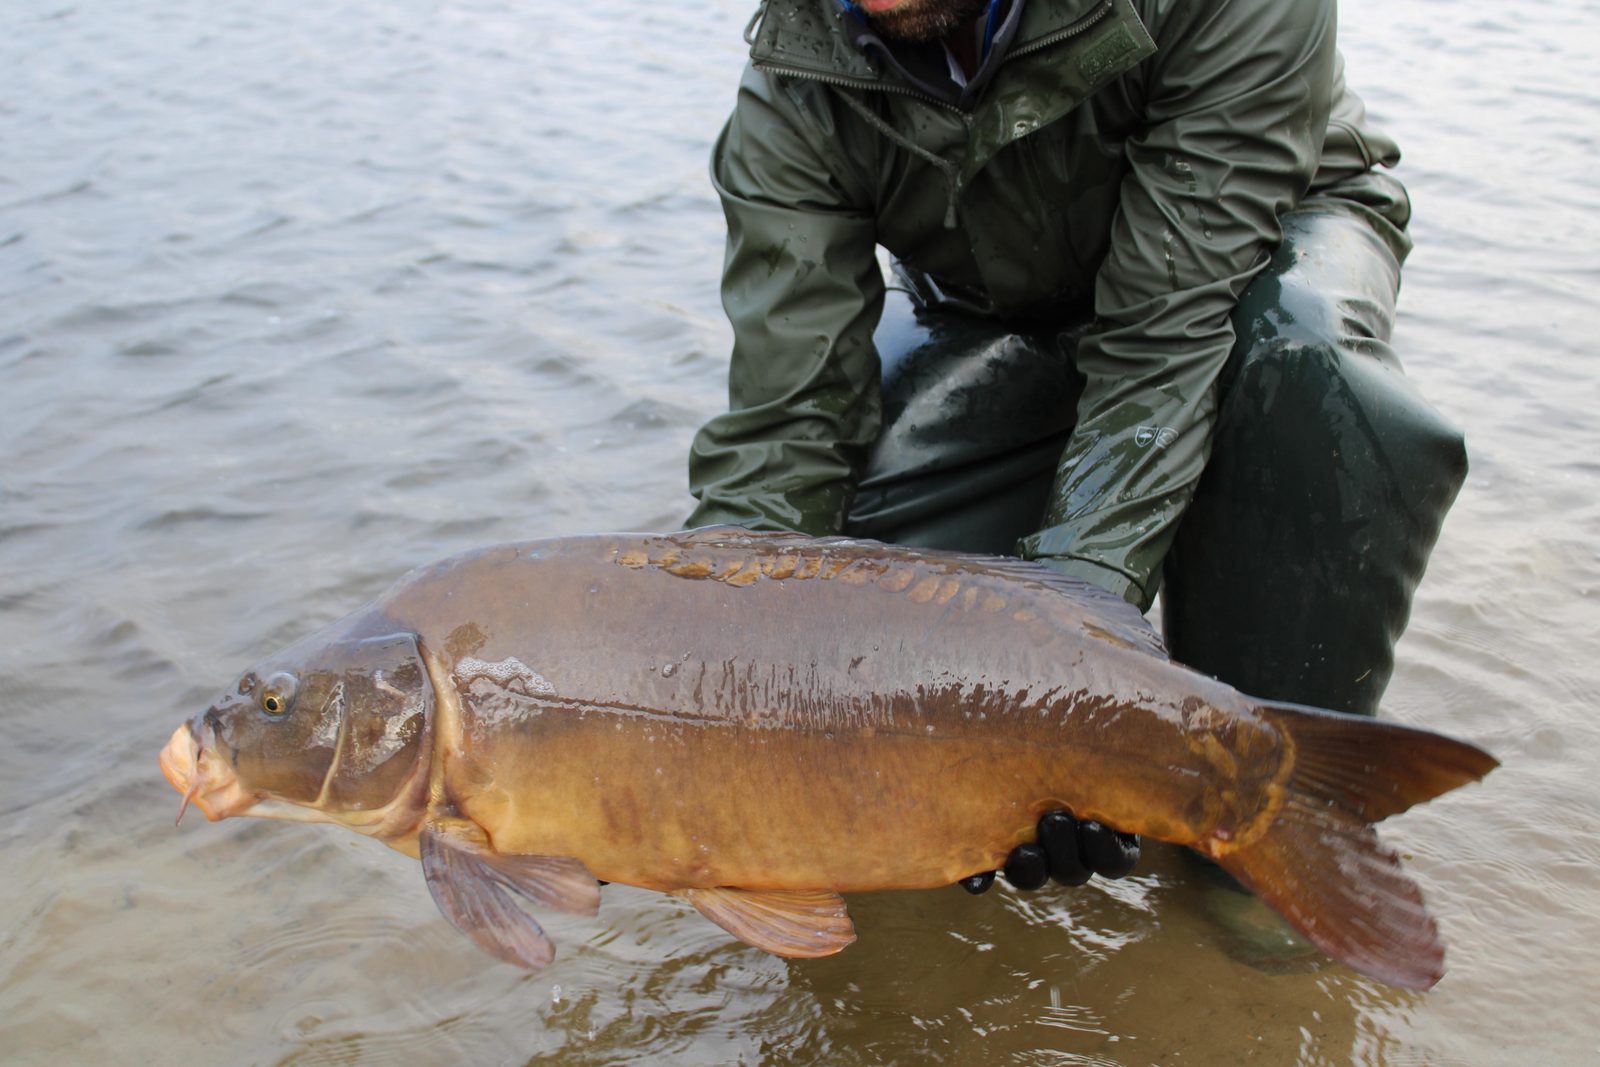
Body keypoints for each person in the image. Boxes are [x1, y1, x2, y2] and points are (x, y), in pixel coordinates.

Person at [685, 0, 1467, 894]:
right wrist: (699, 652)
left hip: (1260, 250)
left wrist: (1076, 682)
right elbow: (788, 428)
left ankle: (1270, 843)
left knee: (1309, 380)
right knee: (861, 549)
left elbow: (1162, 337)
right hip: (1002, 303)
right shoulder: (797, 74)